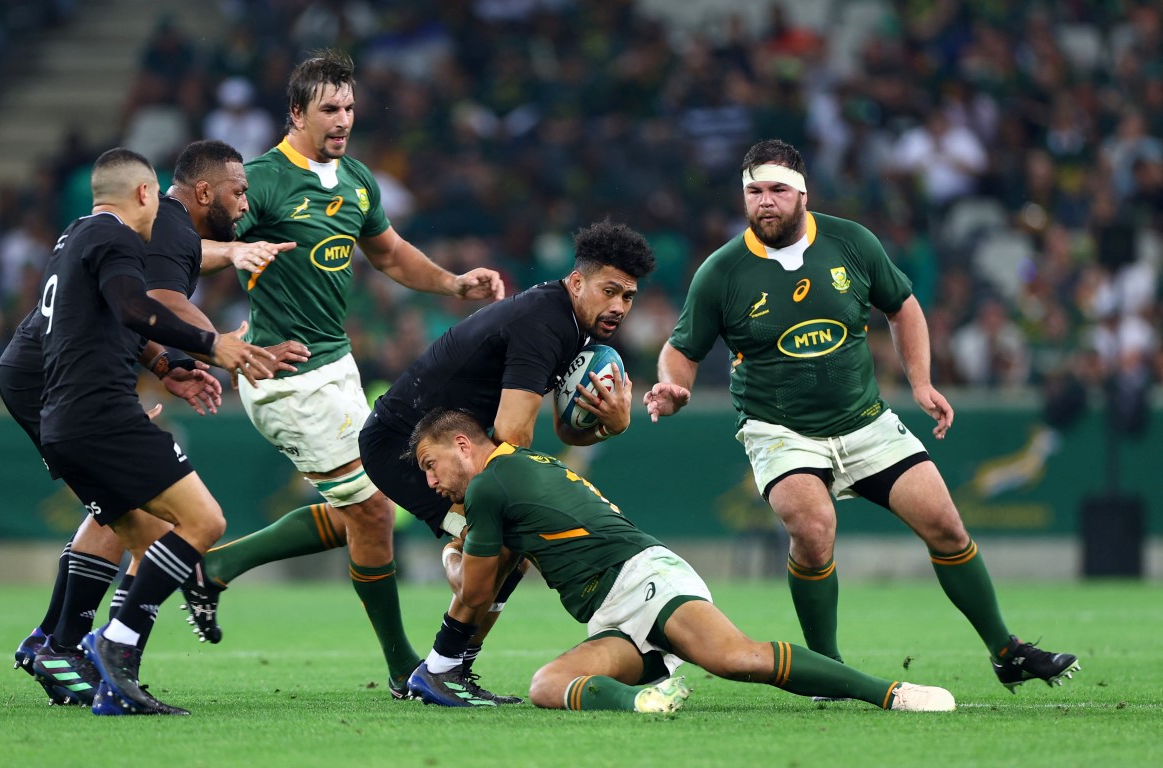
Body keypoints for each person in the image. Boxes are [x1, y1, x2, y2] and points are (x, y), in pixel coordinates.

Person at [643, 139, 1080, 693]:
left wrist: (921, 383)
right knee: (814, 529)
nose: (765, 202)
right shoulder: (723, 270)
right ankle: (826, 666)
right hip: (780, 430)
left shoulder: (852, 242)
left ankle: (1005, 650)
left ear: (803, 193)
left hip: (865, 421)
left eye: (777, 189)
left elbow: (903, 306)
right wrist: (674, 387)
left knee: (946, 526)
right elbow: (681, 348)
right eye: (754, 191)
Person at [180, 49, 504, 699]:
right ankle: (404, 668)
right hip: (285, 374)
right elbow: (192, 239)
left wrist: (451, 282)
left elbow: (387, 253)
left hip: (337, 369)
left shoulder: (357, 180)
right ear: (296, 113)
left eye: (350, 107)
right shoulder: (263, 179)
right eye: (329, 108)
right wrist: (232, 254)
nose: (343, 119)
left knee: (361, 510)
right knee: (376, 507)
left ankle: (215, 568)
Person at [3, 140, 307, 707]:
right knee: (169, 528)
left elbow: (133, 300)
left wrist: (167, 362)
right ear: (156, 194)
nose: (245, 204)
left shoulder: (81, 232)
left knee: (132, 520)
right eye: (238, 192)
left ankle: (69, 643)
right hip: (69, 393)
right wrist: (214, 347)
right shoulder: (135, 232)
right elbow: (147, 302)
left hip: (57, 391)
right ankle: (98, 647)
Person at [406, 408, 957, 714]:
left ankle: (891, 693)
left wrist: (453, 557)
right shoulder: (514, 468)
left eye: (432, 466)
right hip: (613, 612)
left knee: (736, 658)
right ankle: (647, 699)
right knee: (547, 686)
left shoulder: (488, 488)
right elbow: (508, 566)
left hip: (643, 577)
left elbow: (475, 594)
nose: (431, 483)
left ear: (462, 443)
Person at [360, 219, 655, 705]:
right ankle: (438, 669)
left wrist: (613, 424)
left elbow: (564, 429)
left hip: (453, 443)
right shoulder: (544, 323)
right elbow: (513, 437)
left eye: (628, 297)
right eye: (610, 291)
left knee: (507, 545)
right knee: (502, 540)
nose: (619, 307)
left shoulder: (573, 325)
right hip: (407, 445)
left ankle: (448, 668)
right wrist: (485, 536)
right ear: (577, 281)